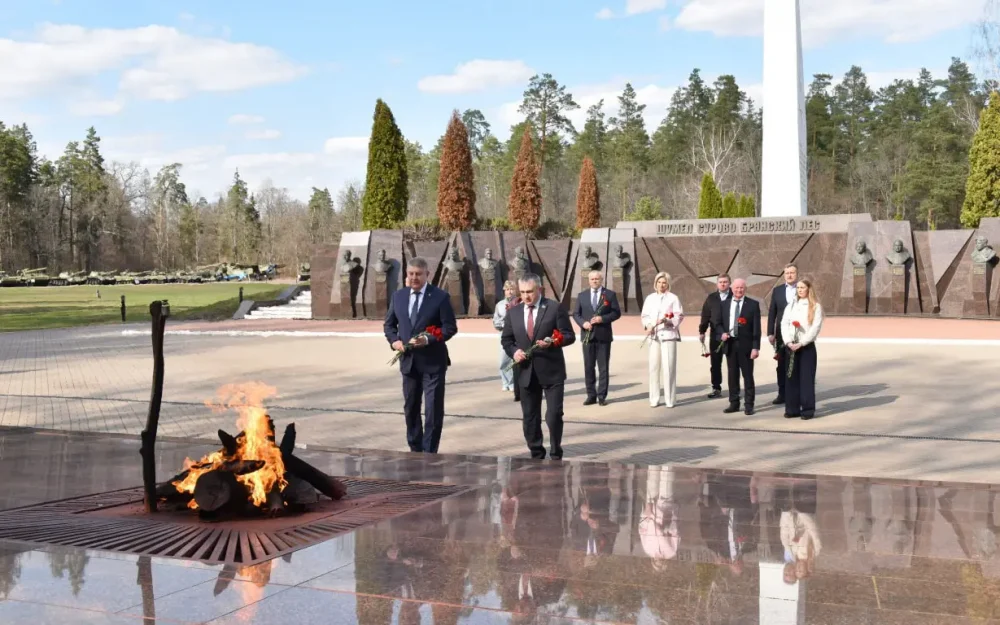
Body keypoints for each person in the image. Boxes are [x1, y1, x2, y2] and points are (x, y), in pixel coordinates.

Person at [383, 257, 458, 453]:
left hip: (433, 363)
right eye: (411, 274)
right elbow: (389, 325)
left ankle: (429, 451)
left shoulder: (440, 297)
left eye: (418, 274)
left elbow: (449, 327)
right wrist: (394, 341)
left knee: (432, 410)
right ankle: (415, 449)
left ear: (427, 275)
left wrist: (428, 339)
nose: (414, 278)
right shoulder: (398, 297)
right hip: (409, 363)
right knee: (411, 408)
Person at [501, 273, 576, 460]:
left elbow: (569, 335)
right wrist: (515, 352)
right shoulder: (513, 312)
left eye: (530, 292)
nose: (526, 296)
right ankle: (536, 453)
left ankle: (556, 451)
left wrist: (552, 342)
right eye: (523, 292)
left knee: (554, 414)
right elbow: (506, 340)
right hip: (526, 372)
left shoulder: (554, 308)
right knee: (530, 416)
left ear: (539, 289)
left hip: (551, 371)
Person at [572, 270, 621, 406]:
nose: (594, 281)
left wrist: (602, 319)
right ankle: (591, 395)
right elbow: (576, 314)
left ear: (601, 280)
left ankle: (602, 396)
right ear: (589, 281)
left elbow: (616, 313)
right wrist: (583, 323)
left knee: (603, 368)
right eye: (592, 279)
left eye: (597, 279)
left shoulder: (609, 295)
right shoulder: (582, 296)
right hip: (587, 337)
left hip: (603, 336)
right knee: (589, 367)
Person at [712, 278, 761, 415]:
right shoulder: (724, 304)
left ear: (745, 289)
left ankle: (749, 405)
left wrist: (755, 347)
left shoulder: (753, 305)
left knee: (748, 376)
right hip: (730, 344)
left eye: (741, 288)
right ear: (731, 289)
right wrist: (722, 333)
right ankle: (734, 403)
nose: (739, 290)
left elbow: (756, 328)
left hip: (746, 346)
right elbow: (717, 323)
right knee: (732, 375)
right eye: (736, 288)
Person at [780, 278, 824, 420]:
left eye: (802, 287)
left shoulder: (815, 306)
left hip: (806, 347)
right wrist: (788, 341)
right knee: (791, 378)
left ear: (808, 289)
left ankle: (807, 410)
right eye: (798, 287)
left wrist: (802, 343)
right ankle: (792, 409)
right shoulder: (791, 305)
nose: (799, 290)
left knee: (806, 380)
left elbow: (815, 328)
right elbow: (784, 323)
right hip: (791, 346)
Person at [641, 272, 684, 408]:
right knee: (654, 368)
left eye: (664, 282)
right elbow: (645, 315)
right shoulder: (650, 298)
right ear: (655, 283)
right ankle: (654, 398)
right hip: (654, 336)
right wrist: (648, 325)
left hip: (668, 336)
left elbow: (679, 315)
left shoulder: (673, 298)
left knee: (669, 368)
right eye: (659, 282)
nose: (661, 285)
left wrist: (668, 321)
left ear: (668, 284)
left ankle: (670, 399)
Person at [767, 264, 798, 407]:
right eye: (787, 273)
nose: (789, 275)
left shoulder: (802, 289)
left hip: (798, 333)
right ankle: (782, 393)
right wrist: (770, 332)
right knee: (781, 365)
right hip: (780, 334)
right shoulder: (777, 290)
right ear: (784, 275)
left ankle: (795, 393)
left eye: (792, 272)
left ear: (797, 274)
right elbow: (772, 312)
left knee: (796, 364)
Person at [698, 274, 732, 399]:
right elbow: (705, 316)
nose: (723, 284)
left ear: (729, 283)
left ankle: (734, 389)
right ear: (717, 284)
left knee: (732, 365)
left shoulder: (734, 297)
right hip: (715, 336)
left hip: (731, 336)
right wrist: (702, 331)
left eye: (725, 282)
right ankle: (716, 388)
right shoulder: (711, 298)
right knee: (715, 364)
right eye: (720, 282)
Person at [493, 280, 519, 393]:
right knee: (504, 360)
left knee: (515, 359)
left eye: (512, 289)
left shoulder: (519, 303)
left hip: (517, 335)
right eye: (507, 289)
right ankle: (505, 382)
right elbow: (496, 321)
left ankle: (512, 383)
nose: (510, 292)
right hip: (504, 335)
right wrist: (504, 325)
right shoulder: (500, 305)